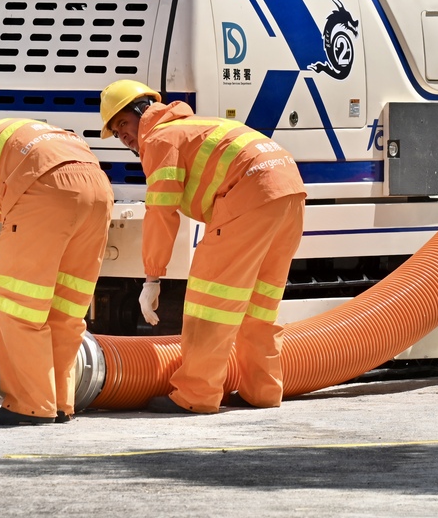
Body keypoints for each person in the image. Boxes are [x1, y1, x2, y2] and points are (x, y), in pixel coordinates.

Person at [99, 79, 307, 415]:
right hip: (289, 191)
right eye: (116, 131)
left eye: (123, 122)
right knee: (260, 305)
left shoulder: (161, 138)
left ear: (143, 111)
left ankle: (196, 393)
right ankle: (262, 389)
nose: (124, 136)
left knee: (209, 303)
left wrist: (152, 279)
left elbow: (161, 211)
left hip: (249, 196)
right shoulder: (192, 127)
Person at [0, 118, 112, 425]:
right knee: (65, 310)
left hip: (43, 188)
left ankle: (30, 405)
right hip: (98, 190)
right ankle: (61, 401)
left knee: (19, 305)